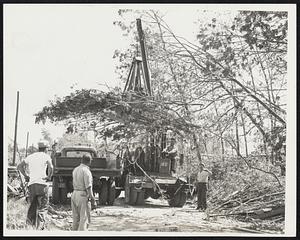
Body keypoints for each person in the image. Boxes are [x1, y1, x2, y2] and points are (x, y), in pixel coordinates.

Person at [17, 140, 53, 230]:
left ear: (38, 148)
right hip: (42, 185)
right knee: (43, 208)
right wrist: (49, 177)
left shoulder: (31, 156)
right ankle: (40, 228)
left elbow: (19, 166)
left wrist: (26, 176)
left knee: (32, 207)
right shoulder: (46, 156)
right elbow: (51, 167)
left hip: (32, 185)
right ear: (46, 149)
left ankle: (29, 227)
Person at [71, 154, 97, 231]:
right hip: (82, 195)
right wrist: (93, 199)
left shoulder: (75, 169)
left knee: (75, 219)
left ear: (82, 160)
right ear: (89, 162)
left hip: (74, 194)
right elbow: (88, 187)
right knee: (83, 220)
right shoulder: (86, 171)